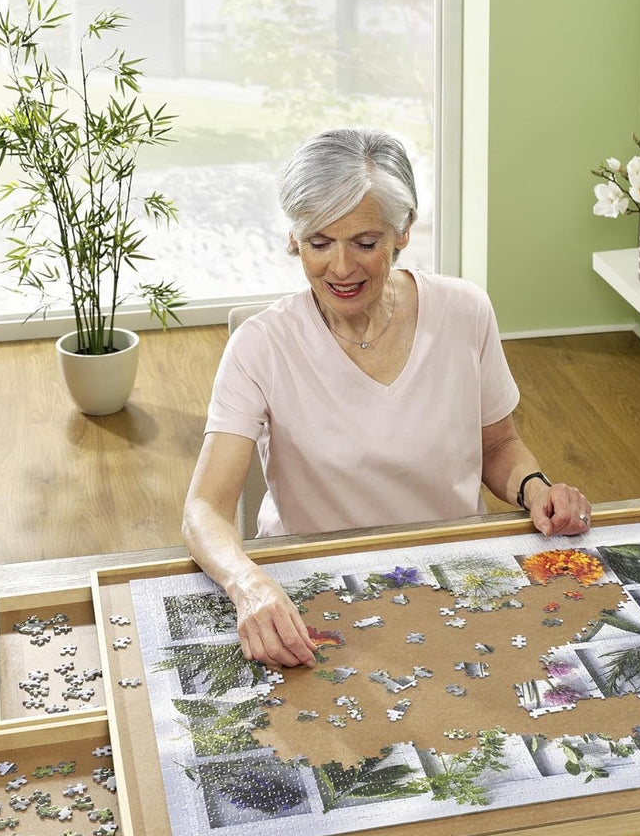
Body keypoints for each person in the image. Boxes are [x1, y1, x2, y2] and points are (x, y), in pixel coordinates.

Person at [183, 127, 591, 670]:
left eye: (366, 243)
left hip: (457, 579)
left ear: (403, 232)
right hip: (314, 597)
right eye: (318, 243)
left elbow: (498, 445)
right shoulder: (259, 346)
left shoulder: (466, 311)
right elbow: (204, 508)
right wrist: (248, 584)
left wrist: (536, 489)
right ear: (292, 239)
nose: (342, 267)